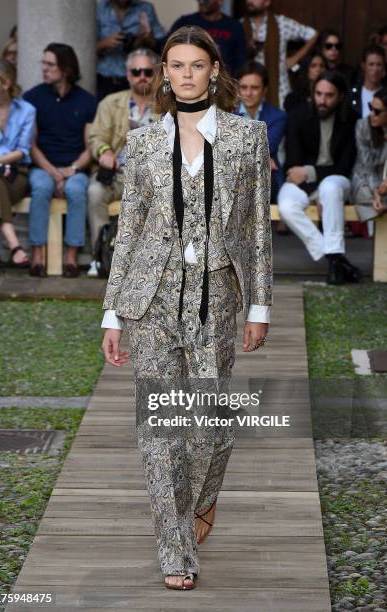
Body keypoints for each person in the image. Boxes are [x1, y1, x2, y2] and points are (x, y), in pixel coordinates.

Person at [101, 25, 272, 590]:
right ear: (166, 77)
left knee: (210, 426)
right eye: (175, 65)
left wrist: (261, 306)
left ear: (214, 71)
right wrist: (112, 313)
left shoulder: (249, 137)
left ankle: (202, 498)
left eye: (196, 64)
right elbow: (129, 231)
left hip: (218, 296)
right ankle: (175, 550)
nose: (185, 74)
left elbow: (256, 230)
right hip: (150, 300)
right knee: (159, 430)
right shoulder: (144, 141)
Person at [278, 71, 361, 285]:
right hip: (304, 183)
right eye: (318, 94)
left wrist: (310, 173)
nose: (322, 100)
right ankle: (334, 259)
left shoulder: (351, 119)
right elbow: (292, 164)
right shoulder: (298, 115)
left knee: (330, 188)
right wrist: (309, 180)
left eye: (329, 95)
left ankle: (335, 264)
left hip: (336, 181)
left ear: (340, 96)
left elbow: (344, 167)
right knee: (286, 205)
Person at [23, 43, 97, 278]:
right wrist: (54, 172)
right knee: (41, 187)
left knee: (77, 190)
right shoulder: (32, 97)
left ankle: (71, 258)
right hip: (42, 166)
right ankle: (37, 255)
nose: (44, 69)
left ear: (65, 69)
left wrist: (71, 170)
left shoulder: (86, 100)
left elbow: (91, 146)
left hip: (75, 168)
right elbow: (30, 144)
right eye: (43, 63)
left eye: (49, 64)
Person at [87, 48, 160, 276]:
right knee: (95, 191)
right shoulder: (110, 103)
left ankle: (146, 261)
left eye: (147, 71)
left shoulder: (167, 105)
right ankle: (100, 256)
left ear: (156, 73)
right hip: (117, 173)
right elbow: (96, 137)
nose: (142, 77)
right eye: (136, 71)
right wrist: (105, 151)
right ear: (128, 74)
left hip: (152, 176)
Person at [0, 60, 35, 277]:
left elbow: (23, 150)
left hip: (14, 173)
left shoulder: (27, 110)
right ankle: (13, 242)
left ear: (5, 84)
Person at [240, 0, 318, 108]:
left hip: (279, 90)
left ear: (267, 2)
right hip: (250, 91)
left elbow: (312, 35)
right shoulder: (239, 25)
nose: (249, 1)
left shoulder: (282, 23)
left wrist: (295, 58)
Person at [235, 61, 286, 200]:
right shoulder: (225, 115)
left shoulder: (278, 117)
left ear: (264, 90)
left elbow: (268, 147)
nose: (248, 93)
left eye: (254, 88)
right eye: (243, 87)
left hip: (267, 179)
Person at [96, 0, 165, 100]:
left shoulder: (145, 8)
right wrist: (105, 43)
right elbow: (86, 48)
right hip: (105, 80)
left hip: (138, 77)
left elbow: (162, 44)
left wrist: (146, 41)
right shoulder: (99, 9)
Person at [169, 0, 248, 76]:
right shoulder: (184, 22)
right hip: (190, 75)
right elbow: (166, 49)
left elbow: (241, 64)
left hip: (224, 80)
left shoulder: (234, 26)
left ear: (220, 1)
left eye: (206, 0)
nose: (201, 2)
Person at [351, 87, 387, 221]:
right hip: (366, 177)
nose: (371, 113)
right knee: (365, 194)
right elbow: (367, 163)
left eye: (377, 111)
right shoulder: (362, 126)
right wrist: (376, 190)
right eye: (370, 107)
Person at [349, 44, 386, 118]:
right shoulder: (352, 93)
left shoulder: (385, 93)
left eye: (379, 65)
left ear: (383, 67)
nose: (375, 69)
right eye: (371, 64)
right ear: (363, 66)